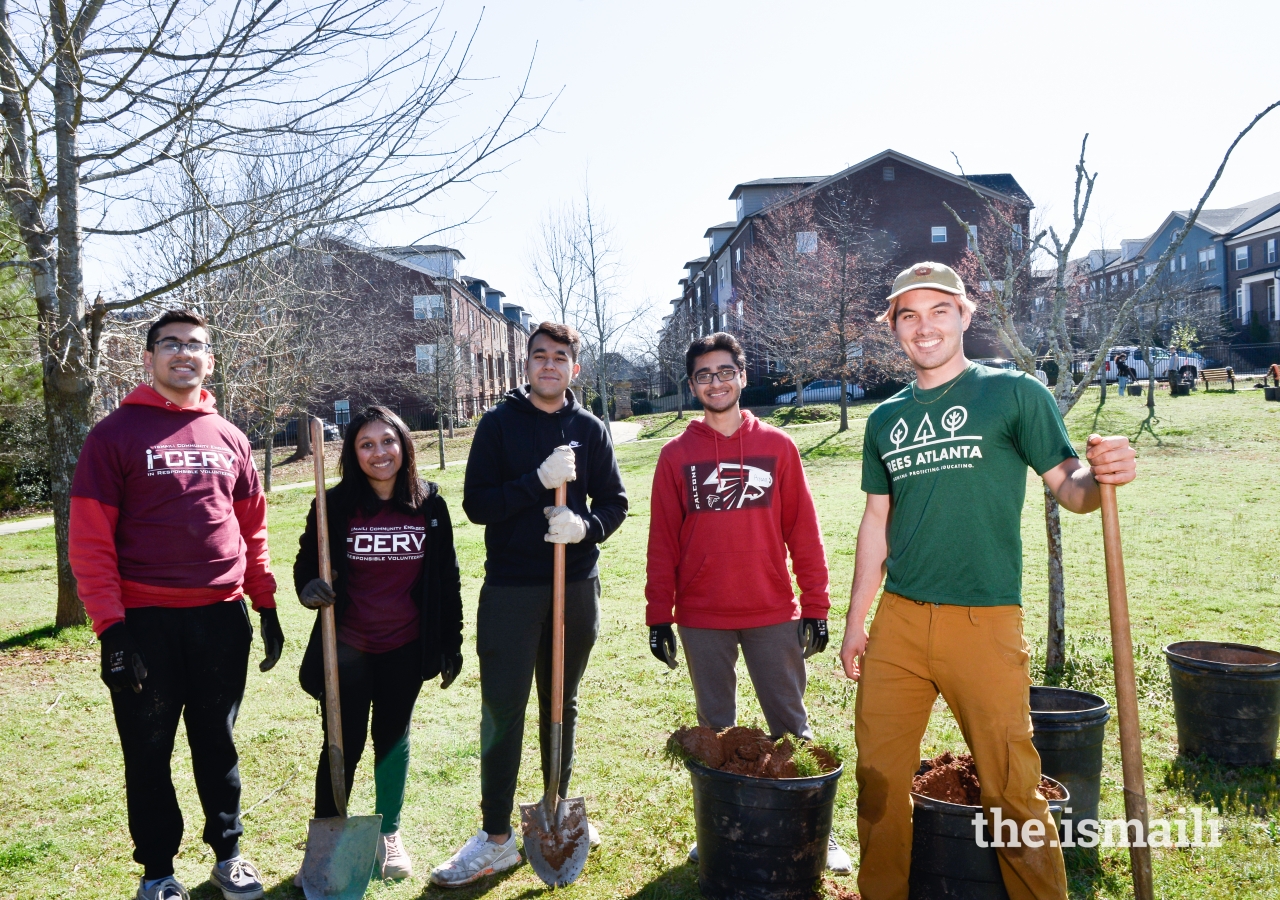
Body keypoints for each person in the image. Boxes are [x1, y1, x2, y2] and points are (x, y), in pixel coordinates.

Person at [838, 262, 1136, 900]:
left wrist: (1103, 475)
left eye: (939, 310)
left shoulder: (1013, 393)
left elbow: (1071, 487)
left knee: (1010, 786)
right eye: (908, 315)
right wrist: (856, 622)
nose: (925, 327)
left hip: (985, 622)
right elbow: (875, 521)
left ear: (966, 315)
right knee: (878, 778)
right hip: (899, 623)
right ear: (894, 328)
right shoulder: (883, 419)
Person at [69, 309, 283, 900]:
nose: (183, 353)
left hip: (220, 618)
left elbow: (253, 528)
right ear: (148, 357)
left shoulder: (230, 437)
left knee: (218, 741)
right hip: (144, 624)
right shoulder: (113, 436)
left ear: (210, 360)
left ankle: (230, 854)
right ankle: (159, 871)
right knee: (148, 748)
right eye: (170, 344)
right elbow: (89, 539)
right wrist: (112, 630)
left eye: (196, 345)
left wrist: (263, 604)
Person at [430, 322, 629, 888]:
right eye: (539, 356)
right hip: (512, 590)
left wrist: (582, 526)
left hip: (575, 587)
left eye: (559, 357)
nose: (549, 365)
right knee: (504, 707)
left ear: (575, 368)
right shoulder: (497, 426)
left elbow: (614, 503)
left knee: (561, 699)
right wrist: (537, 481)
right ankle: (496, 836)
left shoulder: (588, 428)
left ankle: (556, 809)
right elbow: (476, 505)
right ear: (526, 366)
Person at [644, 332, 852, 873]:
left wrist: (816, 605)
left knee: (791, 725)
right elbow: (662, 540)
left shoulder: (778, 447)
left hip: (770, 611)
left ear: (741, 375)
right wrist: (657, 616)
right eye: (703, 375)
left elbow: (803, 532)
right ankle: (720, 827)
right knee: (714, 731)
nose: (715, 383)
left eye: (724, 372)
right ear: (692, 385)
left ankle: (814, 830)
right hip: (701, 616)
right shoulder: (676, 455)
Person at [293, 406, 463, 882]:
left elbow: (445, 580)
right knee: (341, 740)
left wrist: (452, 643)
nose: (378, 452)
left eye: (386, 441)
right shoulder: (334, 506)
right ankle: (331, 831)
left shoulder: (430, 504)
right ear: (353, 454)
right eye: (366, 445)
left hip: (404, 647)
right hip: (345, 647)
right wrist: (309, 588)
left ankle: (389, 834)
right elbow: (307, 565)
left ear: (404, 444)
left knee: (392, 740)